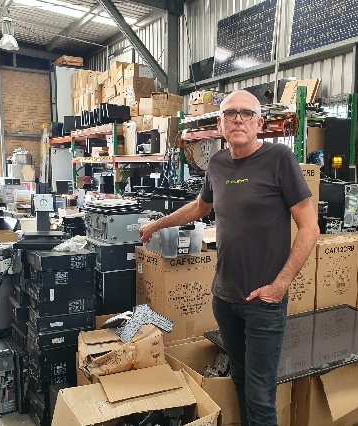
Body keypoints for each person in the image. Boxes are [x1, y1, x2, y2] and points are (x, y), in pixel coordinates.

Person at [139, 90, 319, 426]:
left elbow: (310, 227)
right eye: (230, 113)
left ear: (259, 123)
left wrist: (280, 285)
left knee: (260, 396)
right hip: (225, 299)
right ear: (220, 124)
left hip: (264, 301)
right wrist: (156, 224)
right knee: (239, 379)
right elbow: (199, 207)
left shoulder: (279, 159)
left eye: (247, 114)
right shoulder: (218, 164)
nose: (238, 119)